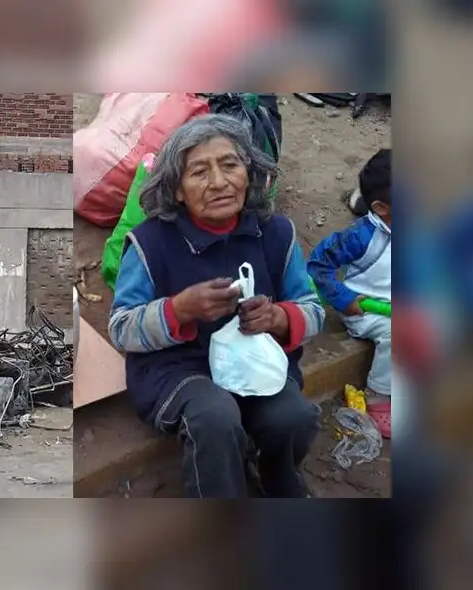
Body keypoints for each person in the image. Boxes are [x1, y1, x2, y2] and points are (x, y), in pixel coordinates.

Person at [108, 114, 325, 498]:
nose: (220, 182)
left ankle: (274, 473)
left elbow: (313, 309)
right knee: (215, 418)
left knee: (294, 417)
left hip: (255, 365)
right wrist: (179, 310)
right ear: (177, 189)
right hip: (177, 370)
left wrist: (278, 317)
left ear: (250, 172)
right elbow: (122, 327)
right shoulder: (149, 244)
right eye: (199, 172)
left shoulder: (276, 234)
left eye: (230, 165)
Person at [308, 148, 392, 437]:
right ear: (381, 208)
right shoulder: (362, 236)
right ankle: (379, 397)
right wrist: (344, 299)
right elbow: (318, 265)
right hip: (368, 309)